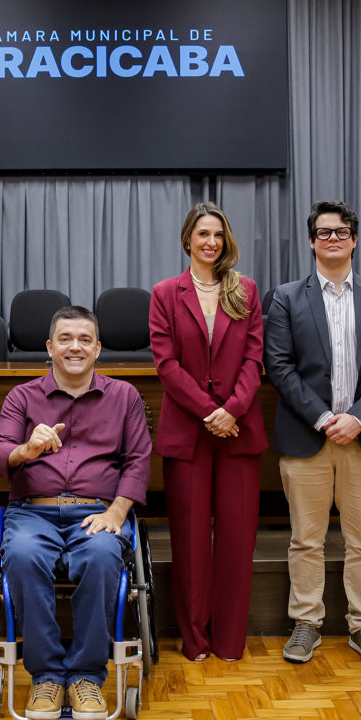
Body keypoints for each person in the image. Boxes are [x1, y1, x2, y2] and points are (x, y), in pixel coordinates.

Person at [0, 305, 151, 720]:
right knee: (22, 555)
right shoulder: (22, 396)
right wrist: (27, 449)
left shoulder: (124, 396)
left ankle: (85, 677)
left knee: (103, 555)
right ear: (49, 347)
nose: (74, 347)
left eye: (84, 340)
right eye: (65, 339)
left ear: (97, 348)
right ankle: (45, 677)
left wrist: (117, 513)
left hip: (97, 512)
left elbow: (138, 461)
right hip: (32, 512)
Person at [263, 200, 361, 668]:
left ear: (354, 239)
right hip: (308, 438)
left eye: (341, 232)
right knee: (306, 540)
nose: (332, 239)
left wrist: (358, 417)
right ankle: (306, 621)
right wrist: (325, 417)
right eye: (323, 232)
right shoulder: (286, 298)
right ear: (311, 242)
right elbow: (279, 366)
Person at [148, 202, 266, 662]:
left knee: (237, 541)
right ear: (188, 240)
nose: (211, 242)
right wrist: (209, 411)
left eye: (218, 234)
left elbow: (254, 359)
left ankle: (229, 640)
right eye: (203, 234)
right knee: (191, 541)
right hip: (188, 432)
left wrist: (231, 410)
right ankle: (195, 639)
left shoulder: (246, 290)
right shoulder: (165, 293)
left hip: (239, 431)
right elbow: (166, 365)